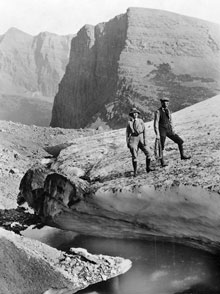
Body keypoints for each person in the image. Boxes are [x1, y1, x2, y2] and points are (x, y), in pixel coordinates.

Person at [154, 97, 191, 167]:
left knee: (180, 141)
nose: (166, 104)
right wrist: (157, 134)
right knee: (161, 146)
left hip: (168, 129)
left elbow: (171, 121)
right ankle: (162, 162)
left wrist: (173, 129)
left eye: (167, 103)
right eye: (164, 102)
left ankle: (182, 156)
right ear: (162, 103)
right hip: (162, 129)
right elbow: (156, 123)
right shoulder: (158, 112)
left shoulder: (168, 111)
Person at [126, 107, 153, 177]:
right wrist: (128, 143)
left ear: (138, 114)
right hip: (133, 139)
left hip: (141, 138)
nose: (135, 114)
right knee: (134, 155)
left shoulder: (140, 121)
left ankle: (148, 168)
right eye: (133, 113)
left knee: (148, 153)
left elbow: (144, 131)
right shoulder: (129, 123)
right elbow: (127, 134)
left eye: (136, 113)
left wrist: (145, 140)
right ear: (131, 114)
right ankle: (135, 171)